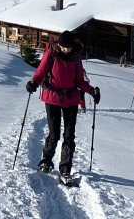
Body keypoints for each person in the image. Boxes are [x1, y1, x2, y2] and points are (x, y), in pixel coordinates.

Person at [26, 30, 100, 185]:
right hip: (52, 97)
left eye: (69, 47)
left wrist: (91, 90)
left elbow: (80, 81)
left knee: (69, 135)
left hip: (71, 99)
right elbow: (41, 71)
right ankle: (46, 160)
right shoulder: (51, 54)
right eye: (64, 47)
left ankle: (65, 168)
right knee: (54, 133)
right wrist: (33, 82)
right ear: (59, 45)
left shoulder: (76, 58)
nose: (66, 50)